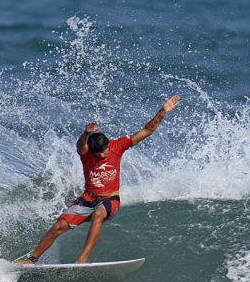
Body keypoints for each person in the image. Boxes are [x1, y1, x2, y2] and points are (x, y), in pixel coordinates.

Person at [13, 95, 180, 264]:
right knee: (58, 227)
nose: (102, 155)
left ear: (108, 145)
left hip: (110, 199)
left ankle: (83, 258)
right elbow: (80, 145)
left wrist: (163, 111)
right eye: (98, 153)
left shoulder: (118, 146)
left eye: (104, 151)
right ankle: (32, 259)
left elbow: (147, 130)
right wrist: (86, 133)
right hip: (87, 198)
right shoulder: (85, 153)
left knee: (98, 214)